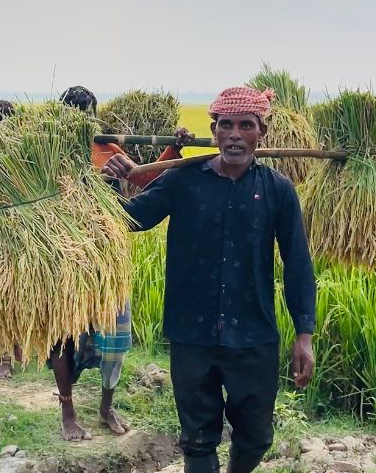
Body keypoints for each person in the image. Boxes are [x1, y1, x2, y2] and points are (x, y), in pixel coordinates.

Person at [101, 86, 317, 473]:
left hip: (253, 335)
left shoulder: (277, 191)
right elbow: (131, 219)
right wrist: (110, 182)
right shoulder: (183, 180)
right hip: (192, 335)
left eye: (246, 125)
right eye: (226, 125)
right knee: (198, 440)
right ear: (214, 131)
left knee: (257, 437)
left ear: (261, 132)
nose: (235, 135)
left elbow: (297, 262)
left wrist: (304, 334)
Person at [50, 85, 192, 440]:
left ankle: (105, 408)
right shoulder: (48, 153)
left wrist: (175, 148)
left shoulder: (106, 148)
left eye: (87, 114)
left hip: (108, 255)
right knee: (62, 335)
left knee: (114, 339)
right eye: (74, 114)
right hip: (65, 256)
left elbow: (144, 178)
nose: (82, 121)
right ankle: (68, 413)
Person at [0, 99, 25, 380]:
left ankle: (13, 349)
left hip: (19, 233)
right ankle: (3, 358)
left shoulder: (25, 150)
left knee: (11, 296)